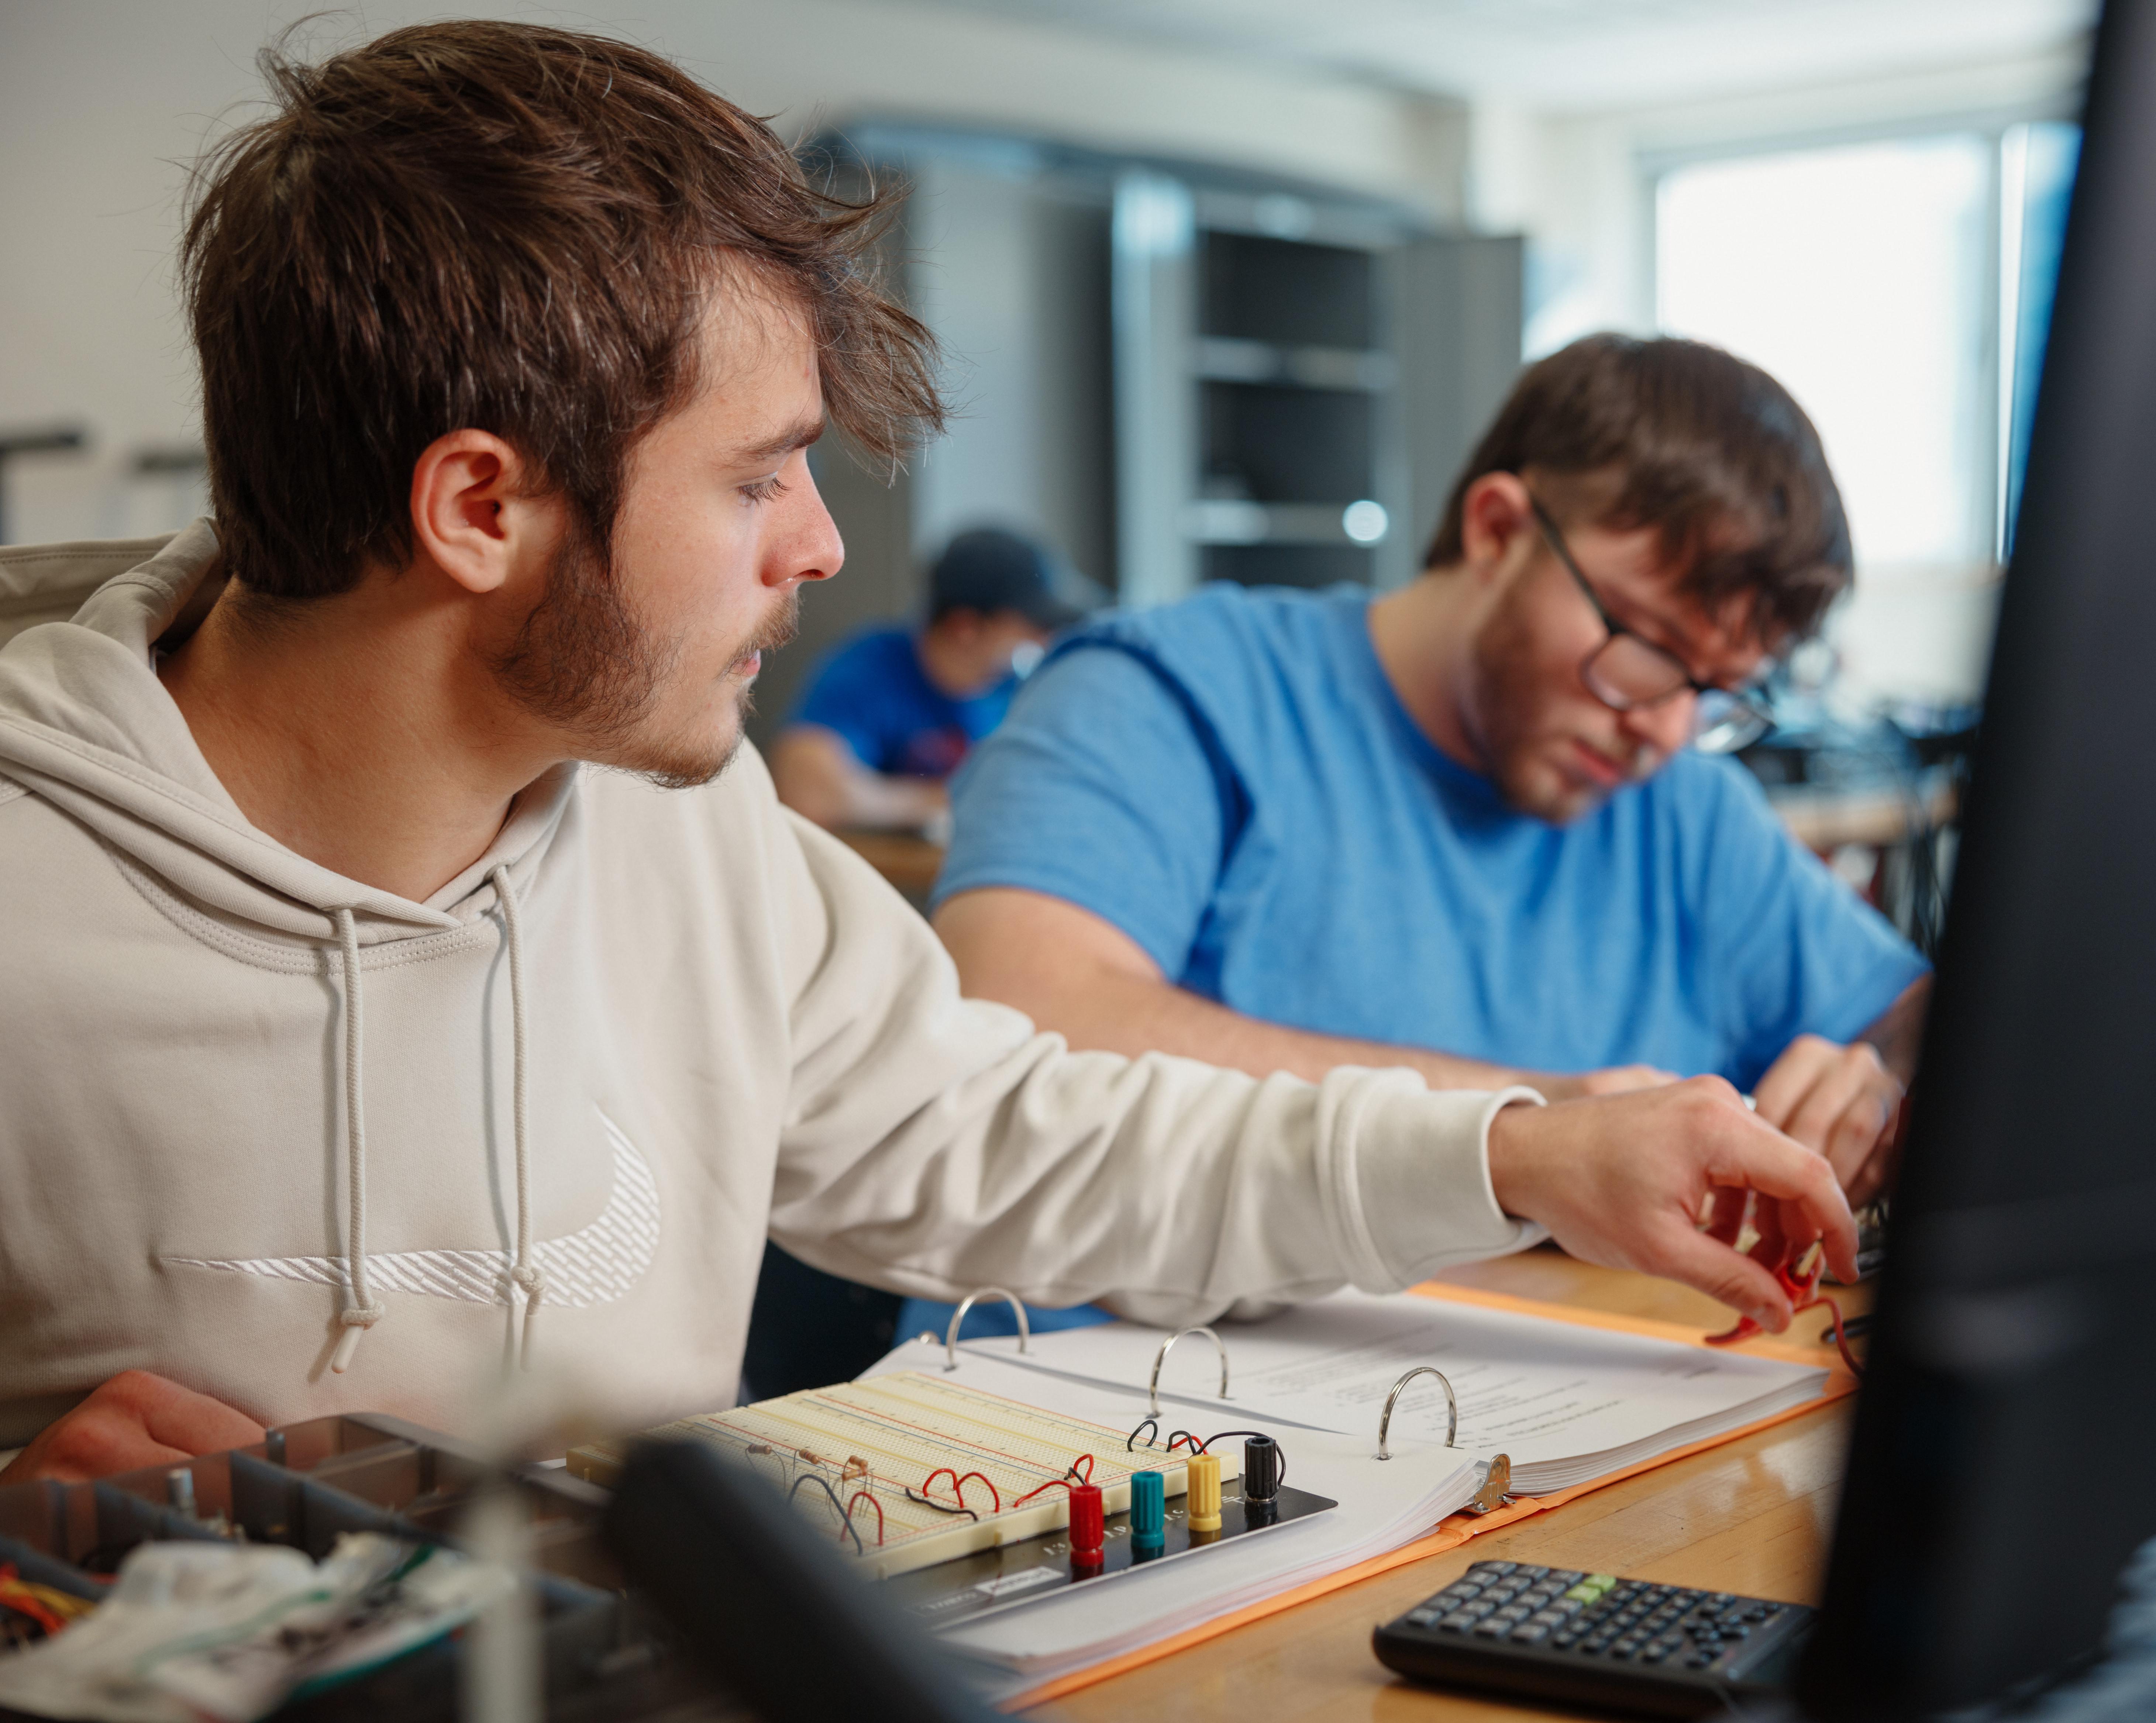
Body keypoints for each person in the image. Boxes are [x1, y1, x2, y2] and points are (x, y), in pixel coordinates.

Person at [0, 23, 1855, 1487]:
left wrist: (1517, 1152)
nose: (817, 547)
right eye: (753, 477)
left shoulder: (687, 823)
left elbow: (1031, 1136)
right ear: (482, 503)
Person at [934, 336, 1931, 1203]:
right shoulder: (1164, 695)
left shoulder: (1685, 809)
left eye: (1717, 689)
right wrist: (1536, 1128)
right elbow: (1017, 1025)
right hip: (1115, 1403)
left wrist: (1874, 1089)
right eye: (1646, 647)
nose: (1666, 728)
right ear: (1497, 530)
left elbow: (1922, 1026)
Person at [767, 526, 1080, 833]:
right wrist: (951, 800)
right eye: (1030, 626)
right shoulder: (871, 670)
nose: (1042, 640)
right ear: (965, 627)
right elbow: (809, 793)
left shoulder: (1027, 686)